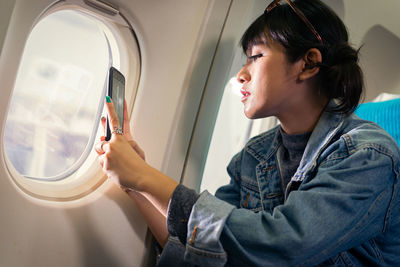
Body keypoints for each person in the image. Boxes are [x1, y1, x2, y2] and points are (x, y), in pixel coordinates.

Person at [95, 0, 400, 266]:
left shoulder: (369, 156)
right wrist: (134, 184)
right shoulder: (254, 155)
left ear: (308, 63)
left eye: (256, 57)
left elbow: (281, 246)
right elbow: (208, 246)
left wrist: (145, 176)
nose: (241, 74)